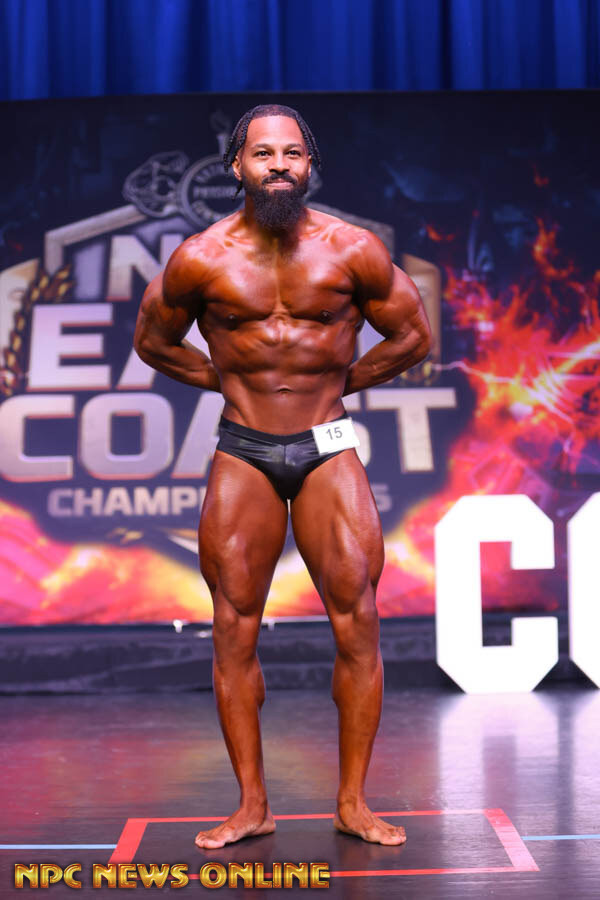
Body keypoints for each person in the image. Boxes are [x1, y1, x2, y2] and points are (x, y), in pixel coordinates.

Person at [134, 104, 431, 849]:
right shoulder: (200, 258)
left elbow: (412, 335)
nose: (277, 165)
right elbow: (153, 341)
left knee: (358, 620)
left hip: (328, 444)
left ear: (309, 165)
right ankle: (251, 805)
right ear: (236, 165)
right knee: (233, 629)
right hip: (245, 449)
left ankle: (353, 803)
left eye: (291, 153)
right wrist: (225, 380)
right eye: (263, 153)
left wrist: (340, 382)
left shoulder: (352, 249)